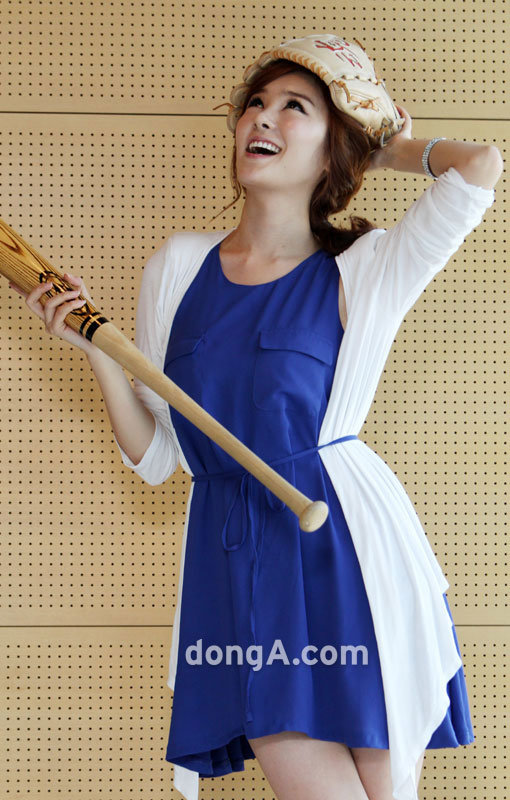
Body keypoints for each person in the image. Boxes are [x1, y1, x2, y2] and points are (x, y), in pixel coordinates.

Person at [12, 36, 503, 800]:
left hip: (348, 549)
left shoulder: (365, 267)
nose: (261, 119)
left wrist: (383, 149)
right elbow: (160, 456)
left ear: (332, 146)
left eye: (294, 107)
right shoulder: (177, 267)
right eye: (255, 104)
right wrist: (95, 350)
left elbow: (478, 169)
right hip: (237, 556)